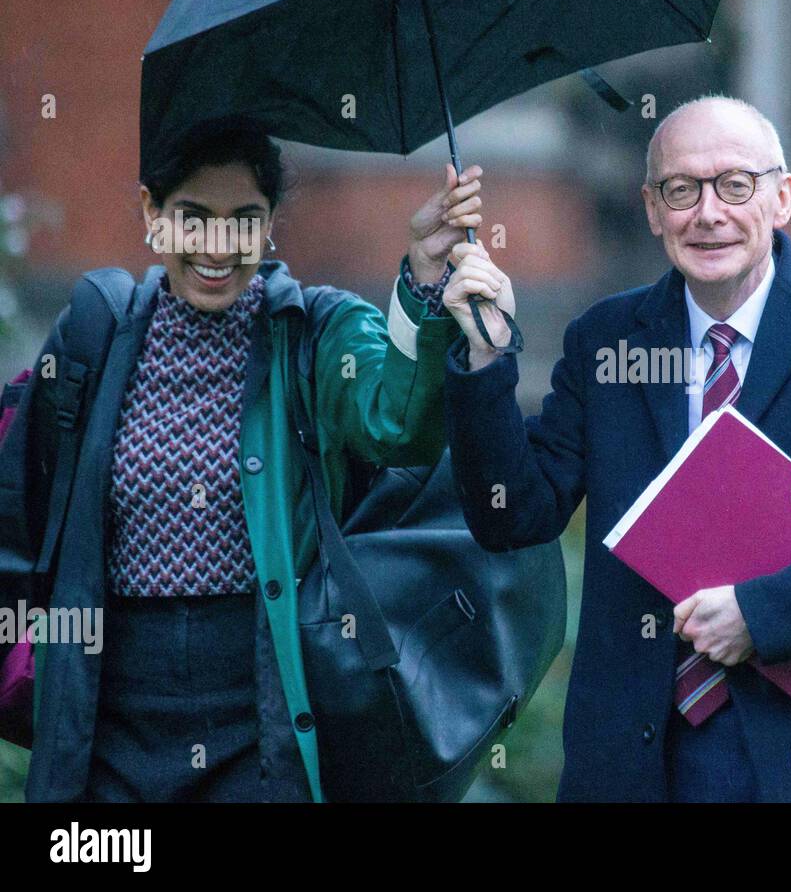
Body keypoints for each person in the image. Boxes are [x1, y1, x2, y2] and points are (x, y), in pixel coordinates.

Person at [438, 96, 791, 802]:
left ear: (782, 196)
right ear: (651, 208)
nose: (707, 213)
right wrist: (485, 359)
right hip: (639, 767)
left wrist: (764, 613)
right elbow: (512, 514)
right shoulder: (609, 341)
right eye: (681, 189)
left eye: (735, 185)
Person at [0, 117, 484, 802]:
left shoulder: (316, 331)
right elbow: (19, 511)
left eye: (244, 220)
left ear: (271, 225)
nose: (218, 247)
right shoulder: (95, 332)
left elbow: (396, 426)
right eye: (193, 219)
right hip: (105, 719)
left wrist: (426, 277)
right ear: (151, 212)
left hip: (261, 714)